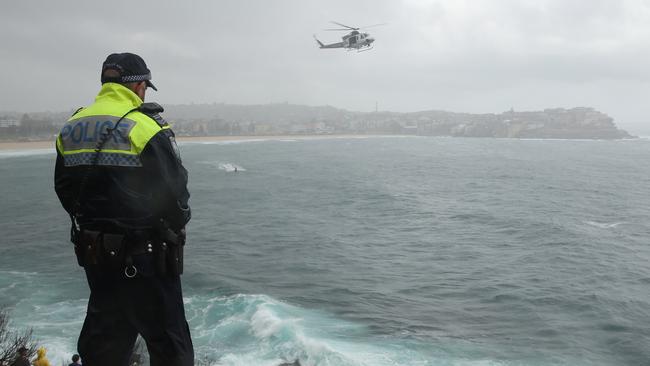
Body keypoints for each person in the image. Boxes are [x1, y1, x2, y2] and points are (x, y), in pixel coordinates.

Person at [54, 52, 193, 366]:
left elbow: (63, 188)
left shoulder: (72, 127)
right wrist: (174, 223)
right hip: (147, 257)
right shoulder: (145, 126)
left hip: (97, 256)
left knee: (104, 344)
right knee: (170, 346)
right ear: (139, 85)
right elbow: (174, 195)